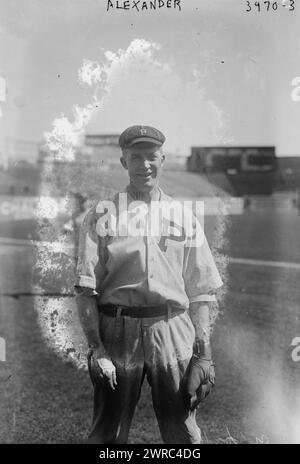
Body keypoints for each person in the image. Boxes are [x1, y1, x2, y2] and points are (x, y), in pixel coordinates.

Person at [74, 125, 223, 444]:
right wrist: (96, 349)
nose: (145, 165)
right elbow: (86, 289)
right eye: (136, 157)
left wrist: (205, 355)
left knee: (182, 432)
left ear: (163, 159)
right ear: (123, 162)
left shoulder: (183, 216)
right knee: (108, 434)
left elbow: (201, 292)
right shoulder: (103, 215)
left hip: (172, 329)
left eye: (151, 156)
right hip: (117, 331)